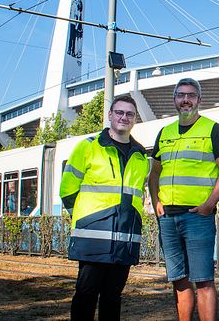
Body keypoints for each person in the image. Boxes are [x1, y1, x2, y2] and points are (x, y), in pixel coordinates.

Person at [148, 78, 219, 321]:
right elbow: (154, 172)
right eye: (181, 95)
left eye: (191, 95)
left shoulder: (212, 129)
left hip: (197, 216)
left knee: (204, 280)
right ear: (174, 99)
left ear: (199, 100)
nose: (186, 99)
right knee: (179, 280)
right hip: (168, 218)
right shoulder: (164, 132)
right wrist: (156, 202)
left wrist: (209, 205)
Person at [60, 94, 150, 320]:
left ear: (135, 119)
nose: (124, 117)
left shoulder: (140, 156)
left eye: (129, 114)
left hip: (125, 237)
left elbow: (136, 196)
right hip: (93, 235)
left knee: (113, 297)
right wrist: (84, 218)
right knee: (86, 294)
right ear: (110, 115)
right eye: (119, 112)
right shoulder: (88, 147)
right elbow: (68, 189)